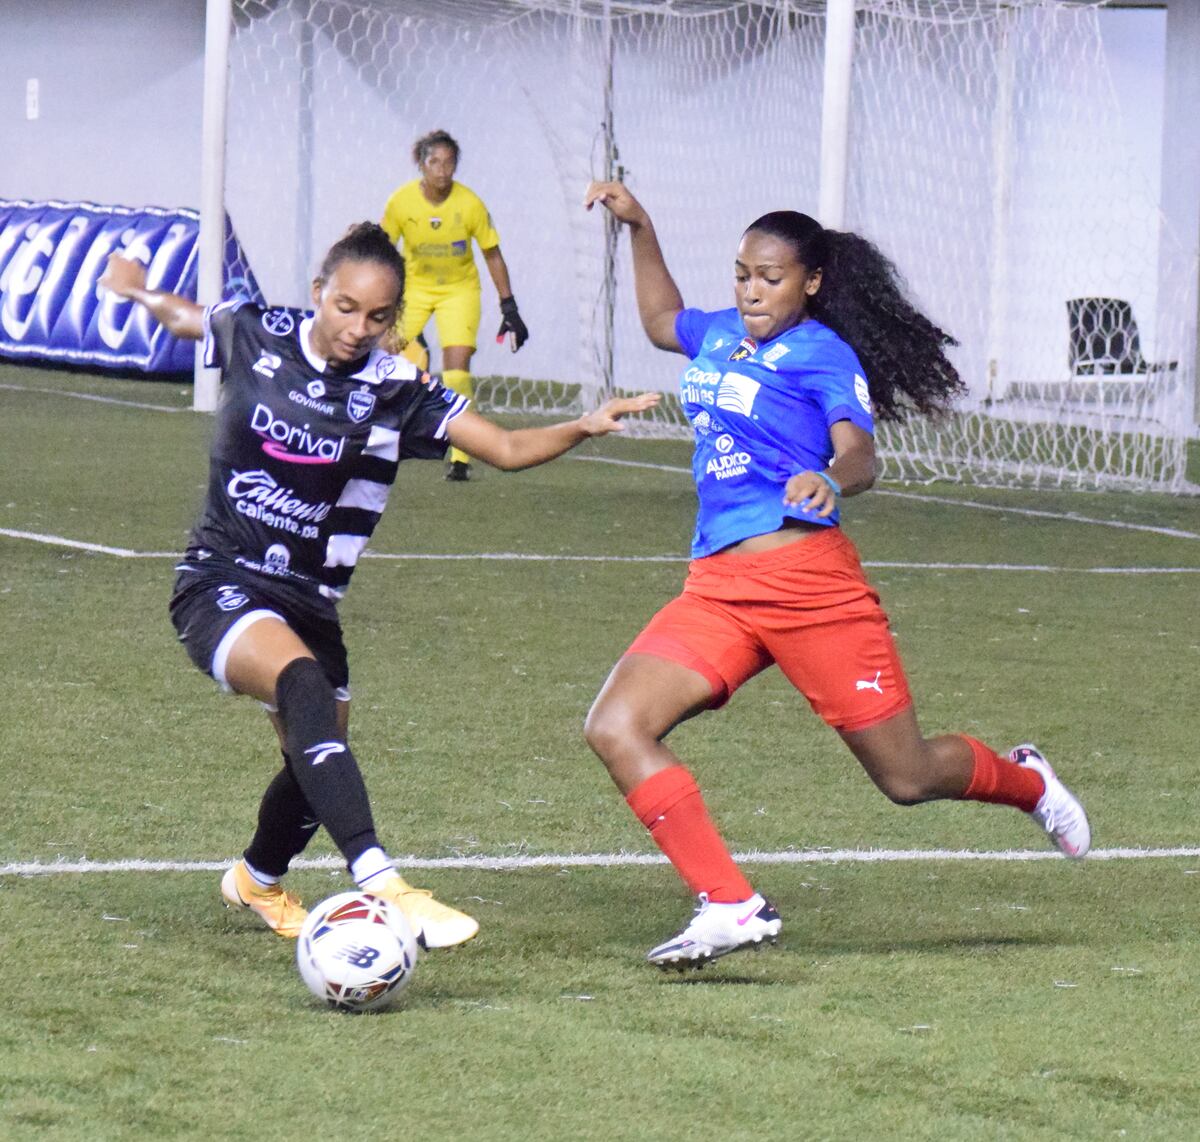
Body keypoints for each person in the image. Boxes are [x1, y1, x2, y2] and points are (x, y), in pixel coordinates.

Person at [98, 222, 656, 949]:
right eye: (345, 307)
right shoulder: (256, 333)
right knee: (300, 686)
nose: (358, 328)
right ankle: (383, 880)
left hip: (310, 600)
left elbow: (506, 448)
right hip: (220, 578)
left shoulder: (396, 388)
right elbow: (185, 316)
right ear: (317, 293)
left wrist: (582, 425)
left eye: (377, 316)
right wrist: (136, 290)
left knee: (315, 758)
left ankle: (256, 881)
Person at [581, 181, 1091, 970]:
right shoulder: (720, 333)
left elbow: (860, 453)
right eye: (742, 274)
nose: (751, 291)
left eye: (770, 277)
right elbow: (659, 320)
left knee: (907, 777)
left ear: (811, 282)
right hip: (718, 587)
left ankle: (1026, 782)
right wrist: (640, 226)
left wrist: (829, 479)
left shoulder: (823, 353)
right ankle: (729, 903)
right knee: (616, 726)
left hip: (810, 587)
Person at [381, 128, 528, 482]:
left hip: (459, 291)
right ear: (421, 164)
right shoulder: (401, 203)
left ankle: (461, 454)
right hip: (414, 290)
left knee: (456, 369)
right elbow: (382, 252)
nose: (442, 171)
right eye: (435, 162)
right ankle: (368, 428)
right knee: (381, 353)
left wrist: (508, 305)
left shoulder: (470, 204)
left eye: (449, 163)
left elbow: (492, 254)